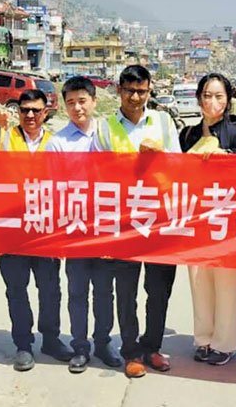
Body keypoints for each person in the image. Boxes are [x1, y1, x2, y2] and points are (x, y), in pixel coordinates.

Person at [0, 89, 74, 371]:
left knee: (50, 290)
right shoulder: (2, 137)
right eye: (24, 109)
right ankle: (23, 344)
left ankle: (51, 339)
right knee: (16, 290)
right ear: (17, 111)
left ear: (45, 113)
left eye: (35, 110)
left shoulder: (56, 143)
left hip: (44, 231)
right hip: (10, 231)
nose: (29, 115)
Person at [93, 65, 180, 378]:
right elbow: (97, 174)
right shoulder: (104, 128)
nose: (135, 97)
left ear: (149, 91)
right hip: (124, 223)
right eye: (129, 90)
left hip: (159, 220)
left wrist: (159, 156)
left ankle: (152, 347)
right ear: (119, 90)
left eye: (141, 91)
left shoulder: (163, 122)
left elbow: (180, 165)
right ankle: (131, 352)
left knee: (158, 291)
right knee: (126, 292)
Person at [46, 76, 117, 374]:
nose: (77, 108)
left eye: (82, 101)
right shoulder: (58, 142)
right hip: (74, 228)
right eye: (71, 102)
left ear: (94, 101)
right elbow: (52, 189)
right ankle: (80, 346)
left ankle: (103, 343)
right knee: (77, 292)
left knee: (104, 292)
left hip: (105, 227)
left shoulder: (110, 135)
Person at [179, 73, 236, 367]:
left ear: (228, 100)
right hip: (196, 219)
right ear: (198, 98)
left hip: (228, 221)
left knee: (227, 285)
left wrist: (225, 158)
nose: (212, 102)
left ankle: (225, 343)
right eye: (207, 95)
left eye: (219, 96)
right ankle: (203, 338)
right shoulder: (187, 134)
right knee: (199, 283)